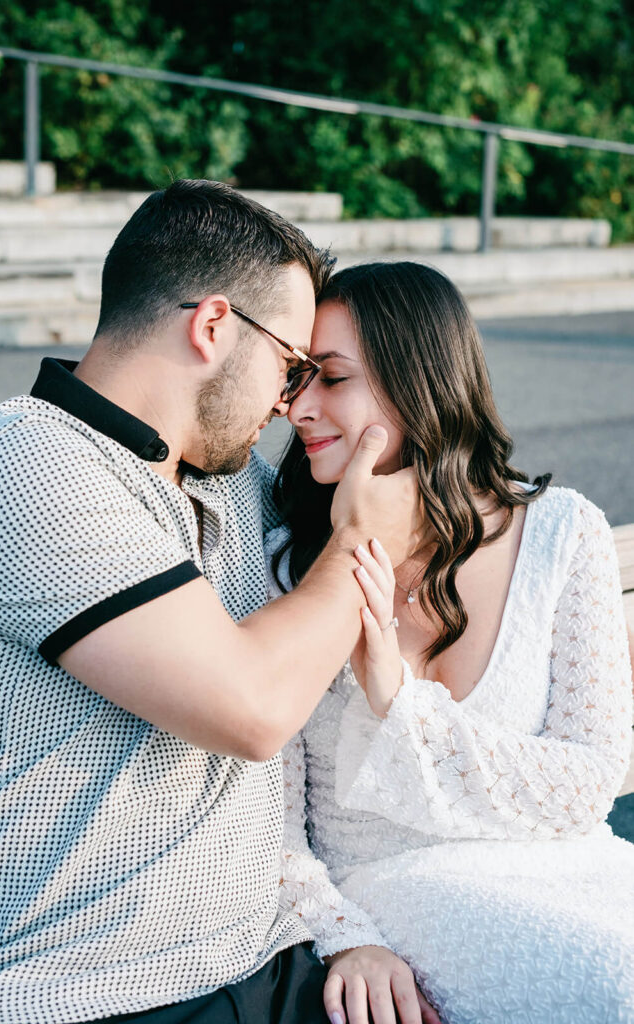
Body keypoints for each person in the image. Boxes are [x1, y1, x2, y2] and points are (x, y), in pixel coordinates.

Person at [0, 182, 428, 1024]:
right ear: (213, 327)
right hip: (88, 988)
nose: (289, 403)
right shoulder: (26, 467)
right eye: (289, 366)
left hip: (263, 954)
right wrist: (362, 537)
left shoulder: (231, 477)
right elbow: (251, 709)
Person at [269, 260, 634, 1024]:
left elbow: (593, 777)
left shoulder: (561, 532)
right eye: (297, 378)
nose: (296, 407)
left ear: (417, 381)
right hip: (390, 889)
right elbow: (265, 820)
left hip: (571, 871)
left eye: (329, 378)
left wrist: (399, 703)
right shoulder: (285, 560)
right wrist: (345, 937)